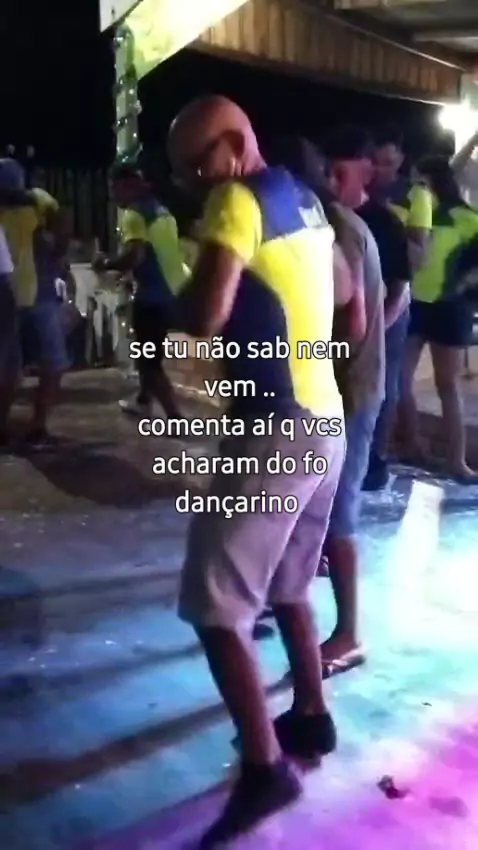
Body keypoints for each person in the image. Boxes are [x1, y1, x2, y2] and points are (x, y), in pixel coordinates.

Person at [168, 96, 345, 845]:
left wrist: (168, 305)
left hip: (276, 431)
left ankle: (265, 770)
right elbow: (344, 293)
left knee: (215, 607)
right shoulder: (303, 199)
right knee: (290, 586)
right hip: (326, 419)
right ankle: (311, 714)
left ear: (234, 144)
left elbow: (205, 316)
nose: (189, 181)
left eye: (195, 163)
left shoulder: (236, 200)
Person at [318, 126, 385, 675]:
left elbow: (354, 320)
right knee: (320, 508)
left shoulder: (337, 227)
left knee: (340, 513)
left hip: (351, 388)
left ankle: (348, 634)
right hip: (345, 384)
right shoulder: (344, 224)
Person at [399, 156, 478, 482]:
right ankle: (412, 445)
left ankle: (456, 461)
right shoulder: (410, 208)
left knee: (447, 384)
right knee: (400, 379)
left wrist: (465, 284)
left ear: (433, 180)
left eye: (420, 180)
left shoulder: (466, 217)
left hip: (450, 307)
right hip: (413, 302)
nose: (414, 186)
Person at [94, 163, 185, 421]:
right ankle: (144, 400)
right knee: (149, 354)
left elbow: (135, 256)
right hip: (174, 291)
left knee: (148, 360)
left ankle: (175, 417)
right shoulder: (161, 210)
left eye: (114, 188)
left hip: (152, 297)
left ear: (128, 186)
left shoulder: (134, 214)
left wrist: (106, 263)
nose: (112, 196)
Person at [0, 158, 70, 449]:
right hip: (26, 296)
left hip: (30, 294)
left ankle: (28, 427)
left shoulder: (36, 202)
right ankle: (31, 428)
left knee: (23, 366)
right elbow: (61, 225)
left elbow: (61, 224)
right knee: (42, 363)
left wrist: (55, 250)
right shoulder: (35, 203)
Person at [371, 125, 433, 270]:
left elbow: (419, 257)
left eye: (388, 163)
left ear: (400, 160)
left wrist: (387, 218)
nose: (379, 170)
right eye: (374, 162)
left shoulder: (416, 194)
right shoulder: (358, 188)